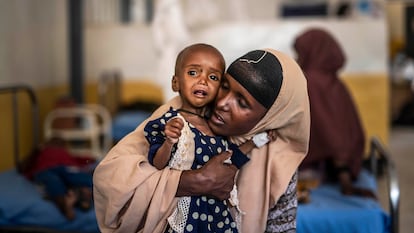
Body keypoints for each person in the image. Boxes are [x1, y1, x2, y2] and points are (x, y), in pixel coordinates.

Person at [93, 49, 310, 232]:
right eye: (224, 86)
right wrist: (191, 181)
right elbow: (110, 180)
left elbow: (282, 226)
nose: (223, 103)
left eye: (242, 102)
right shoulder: (177, 114)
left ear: (269, 118)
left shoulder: (276, 157)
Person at [144, 43, 275, 232]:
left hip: (217, 216)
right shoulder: (170, 122)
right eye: (193, 73)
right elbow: (157, 165)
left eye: (213, 77)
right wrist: (169, 141)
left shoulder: (217, 127)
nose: (203, 80)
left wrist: (258, 140)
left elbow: (231, 158)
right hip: (188, 216)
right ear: (176, 83)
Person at [293, 28, 376, 198]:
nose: (297, 58)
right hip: (340, 167)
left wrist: (346, 182)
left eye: (300, 53)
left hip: (322, 168)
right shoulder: (334, 82)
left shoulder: (311, 82)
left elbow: (333, 135)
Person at [22, 136, 94, 220]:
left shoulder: (65, 153)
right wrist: (36, 151)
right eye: (55, 142)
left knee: (77, 176)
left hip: (66, 168)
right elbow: (25, 165)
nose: (57, 145)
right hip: (46, 169)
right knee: (53, 180)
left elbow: (84, 159)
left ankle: (81, 195)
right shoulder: (42, 151)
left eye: (60, 143)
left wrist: (92, 162)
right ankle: (65, 204)